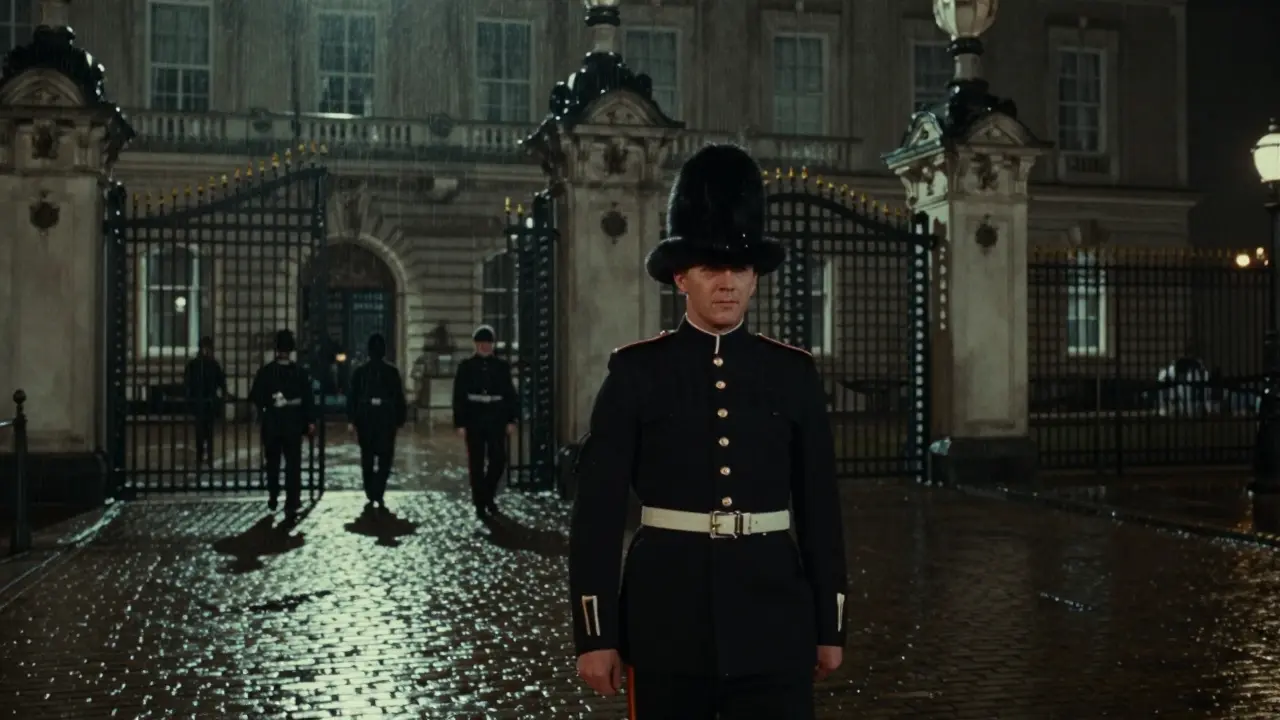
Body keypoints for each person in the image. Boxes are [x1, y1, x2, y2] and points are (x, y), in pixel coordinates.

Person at [568, 144, 848, 719]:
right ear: (680, 277)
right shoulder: (637, 373)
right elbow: (596, 513)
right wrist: (596, 633)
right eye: (710, 268)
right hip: (667, 619)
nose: (727, 283)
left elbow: (820, 508)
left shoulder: (792, 374)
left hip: (774, 617)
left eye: (739, 268)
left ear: (755, 279)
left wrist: (830, 623)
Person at [451, 324, 518, 519]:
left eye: (487, 343)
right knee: (476, 461)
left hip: (496, 416)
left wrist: (511, 418)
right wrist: (460, 423)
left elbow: (510, 394)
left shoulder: (502, 366)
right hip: (474, 417)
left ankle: (486, 494)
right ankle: (480, 500)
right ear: (476, 344)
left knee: (499, 459)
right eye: (481, 343)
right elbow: (459, 396)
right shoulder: (466, 367)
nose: (484, 347)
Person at [249, 329, 316, 517]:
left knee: (272, 462)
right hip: (293, 425)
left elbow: (256, 397)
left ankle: (273, 493)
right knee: (293, 464)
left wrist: (268, 406)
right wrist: (310, 420)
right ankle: (292, 500)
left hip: (272, 424)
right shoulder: (299, 373)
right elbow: (308, 399)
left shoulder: (266, 372)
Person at [346, 333, 407, 510]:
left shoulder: (360, 372)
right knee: (384, 459)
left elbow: (353, 398)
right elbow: (399, 398)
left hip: (367, 419)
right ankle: (377, 490)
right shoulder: (391, 372)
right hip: (385, 420)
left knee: (368, 457)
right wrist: (400, 419)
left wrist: (351, 419)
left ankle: (372, 490)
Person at [184, 335, 227, 469]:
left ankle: (206, 456)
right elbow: (188, 383)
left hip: (207, 401)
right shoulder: (198, 364)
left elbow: (221, 381)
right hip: (201, 401)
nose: (207, 351)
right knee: (201, 431)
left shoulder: (210, 364)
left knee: (207, 431)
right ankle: (201, 455)